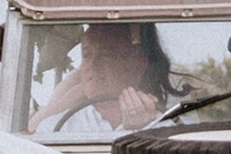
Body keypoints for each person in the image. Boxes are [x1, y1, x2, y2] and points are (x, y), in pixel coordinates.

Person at [28, 23, 182, 132]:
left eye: (107, 55)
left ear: (139, 65)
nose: (93, 64)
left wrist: (143, 131)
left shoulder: (170, 128)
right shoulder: (57, 128)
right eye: (87, 55)